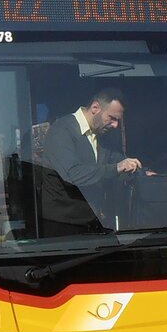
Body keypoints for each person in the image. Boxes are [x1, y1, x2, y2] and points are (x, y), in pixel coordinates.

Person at [39, 89, 145, 236]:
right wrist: (117, 168)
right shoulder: (61, 131)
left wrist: (142, 172)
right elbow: (74, 175)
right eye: (112, 118)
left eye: (118, 121)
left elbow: (117, 160)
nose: (115, 125)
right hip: (62, 227)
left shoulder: (102, 136)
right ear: (95, 108)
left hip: (91, 223)